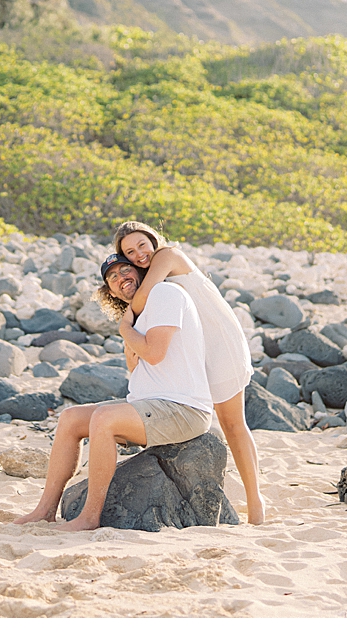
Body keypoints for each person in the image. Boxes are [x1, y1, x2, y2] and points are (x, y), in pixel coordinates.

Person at [13, 253, 214, 531]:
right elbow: (139, 370)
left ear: (141, 271)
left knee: (105, 419)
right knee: (70, 419)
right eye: (113, 278)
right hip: (154, 404)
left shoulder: (164, 294)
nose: (122, 278)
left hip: (184, 409)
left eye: (125, 270)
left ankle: (89, 517)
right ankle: (45, 509)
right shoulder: (142, 314)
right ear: (110, 291)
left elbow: (154, 354)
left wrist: (124, 329)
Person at [112, 221, 264, 525]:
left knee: (233, 424)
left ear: (153, 240)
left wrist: (127, 319)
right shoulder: (153, 279)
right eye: (130, 252)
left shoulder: (168, 255)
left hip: (218, 342)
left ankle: (255, 501)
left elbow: (140, 299)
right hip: (191, 349)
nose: (139, 254)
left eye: (142, 245)